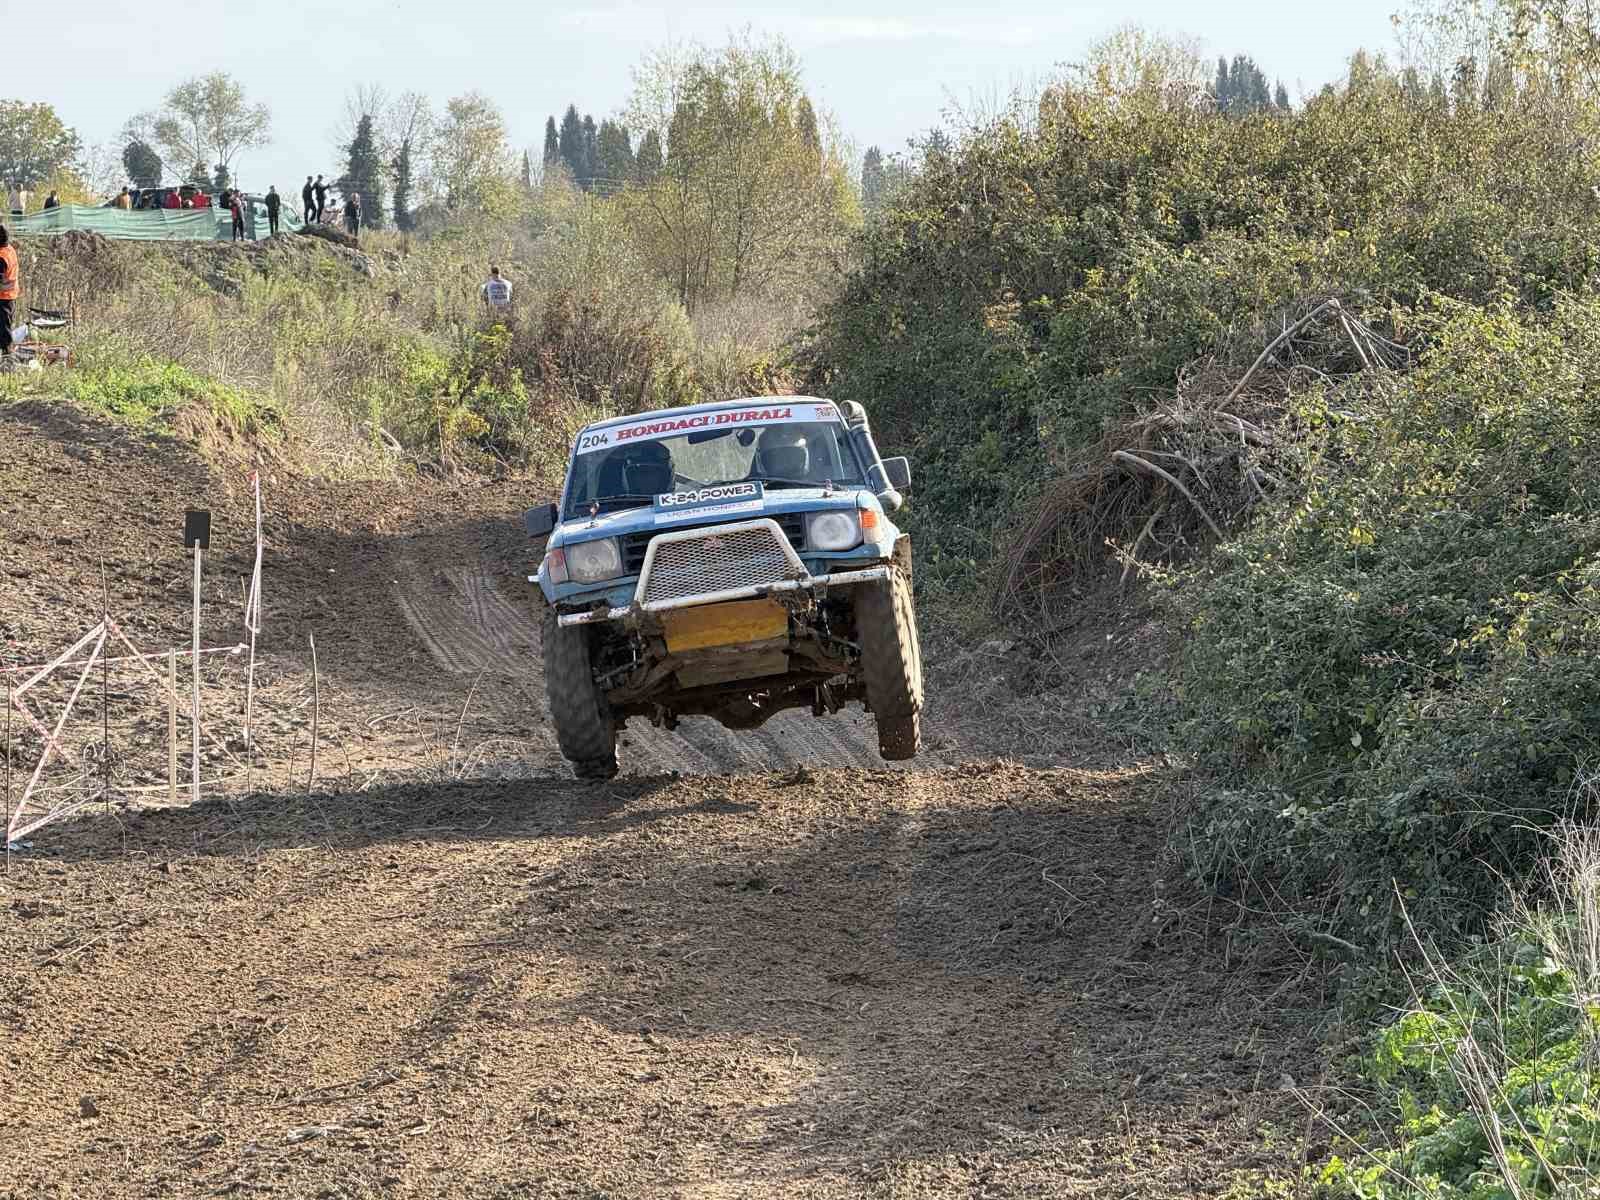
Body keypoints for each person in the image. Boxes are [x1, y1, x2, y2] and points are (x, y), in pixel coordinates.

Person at [0, 224, 18, 358]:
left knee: (4, 331)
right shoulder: (9, 249)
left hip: (3, 297)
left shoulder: (2, 257)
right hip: (9, 296)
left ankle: (7, 358)